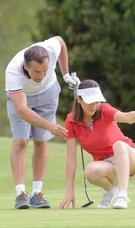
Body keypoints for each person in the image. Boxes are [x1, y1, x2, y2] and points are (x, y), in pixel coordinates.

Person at [5, 36, 81, 210]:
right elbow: (22, 110)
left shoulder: (50, 49)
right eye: (37, 72)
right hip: (22, 98)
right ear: (26, 66)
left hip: (48, 94)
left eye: (45, 70)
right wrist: (50, 126)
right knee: (21, 142)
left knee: (41, 141)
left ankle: (37, 194)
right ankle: (20, 194)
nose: (42, 75)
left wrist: (66, 74)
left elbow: (61, 41)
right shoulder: (13, 71)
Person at [58, 79, 135, 210]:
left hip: (131, 159)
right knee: (89, 171)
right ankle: (110, 191)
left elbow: (127, 118)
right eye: (90, 102)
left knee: (118, 145)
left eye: (97, 101)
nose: (94, 106)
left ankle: (122, 195)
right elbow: (71, 157)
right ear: (79, 99)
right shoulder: (71, 120)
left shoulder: (105, 110)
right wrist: (69, 191)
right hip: (108, 167)